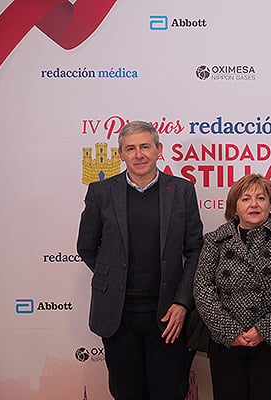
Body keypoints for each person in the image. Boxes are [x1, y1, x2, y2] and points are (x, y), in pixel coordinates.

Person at [77, 120, 203, 400]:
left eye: (145, 146)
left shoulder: (182, 191)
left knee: (168, 393)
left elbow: (195, 250)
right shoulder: (101, 193)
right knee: (126, 393)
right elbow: (86, 247)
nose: (139, 154)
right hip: (117, 316)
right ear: (120, 154)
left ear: (159, 150)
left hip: (168, 316)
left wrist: (182, 303)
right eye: (130, 148)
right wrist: (113, 278)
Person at [194, 174, 271, 400]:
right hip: (227, 343)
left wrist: (264, 330)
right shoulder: (214, 241)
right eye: (246, 199)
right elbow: (202, 289)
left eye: (261, 198)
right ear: (234, 208)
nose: (254, 204)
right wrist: (230, 331)